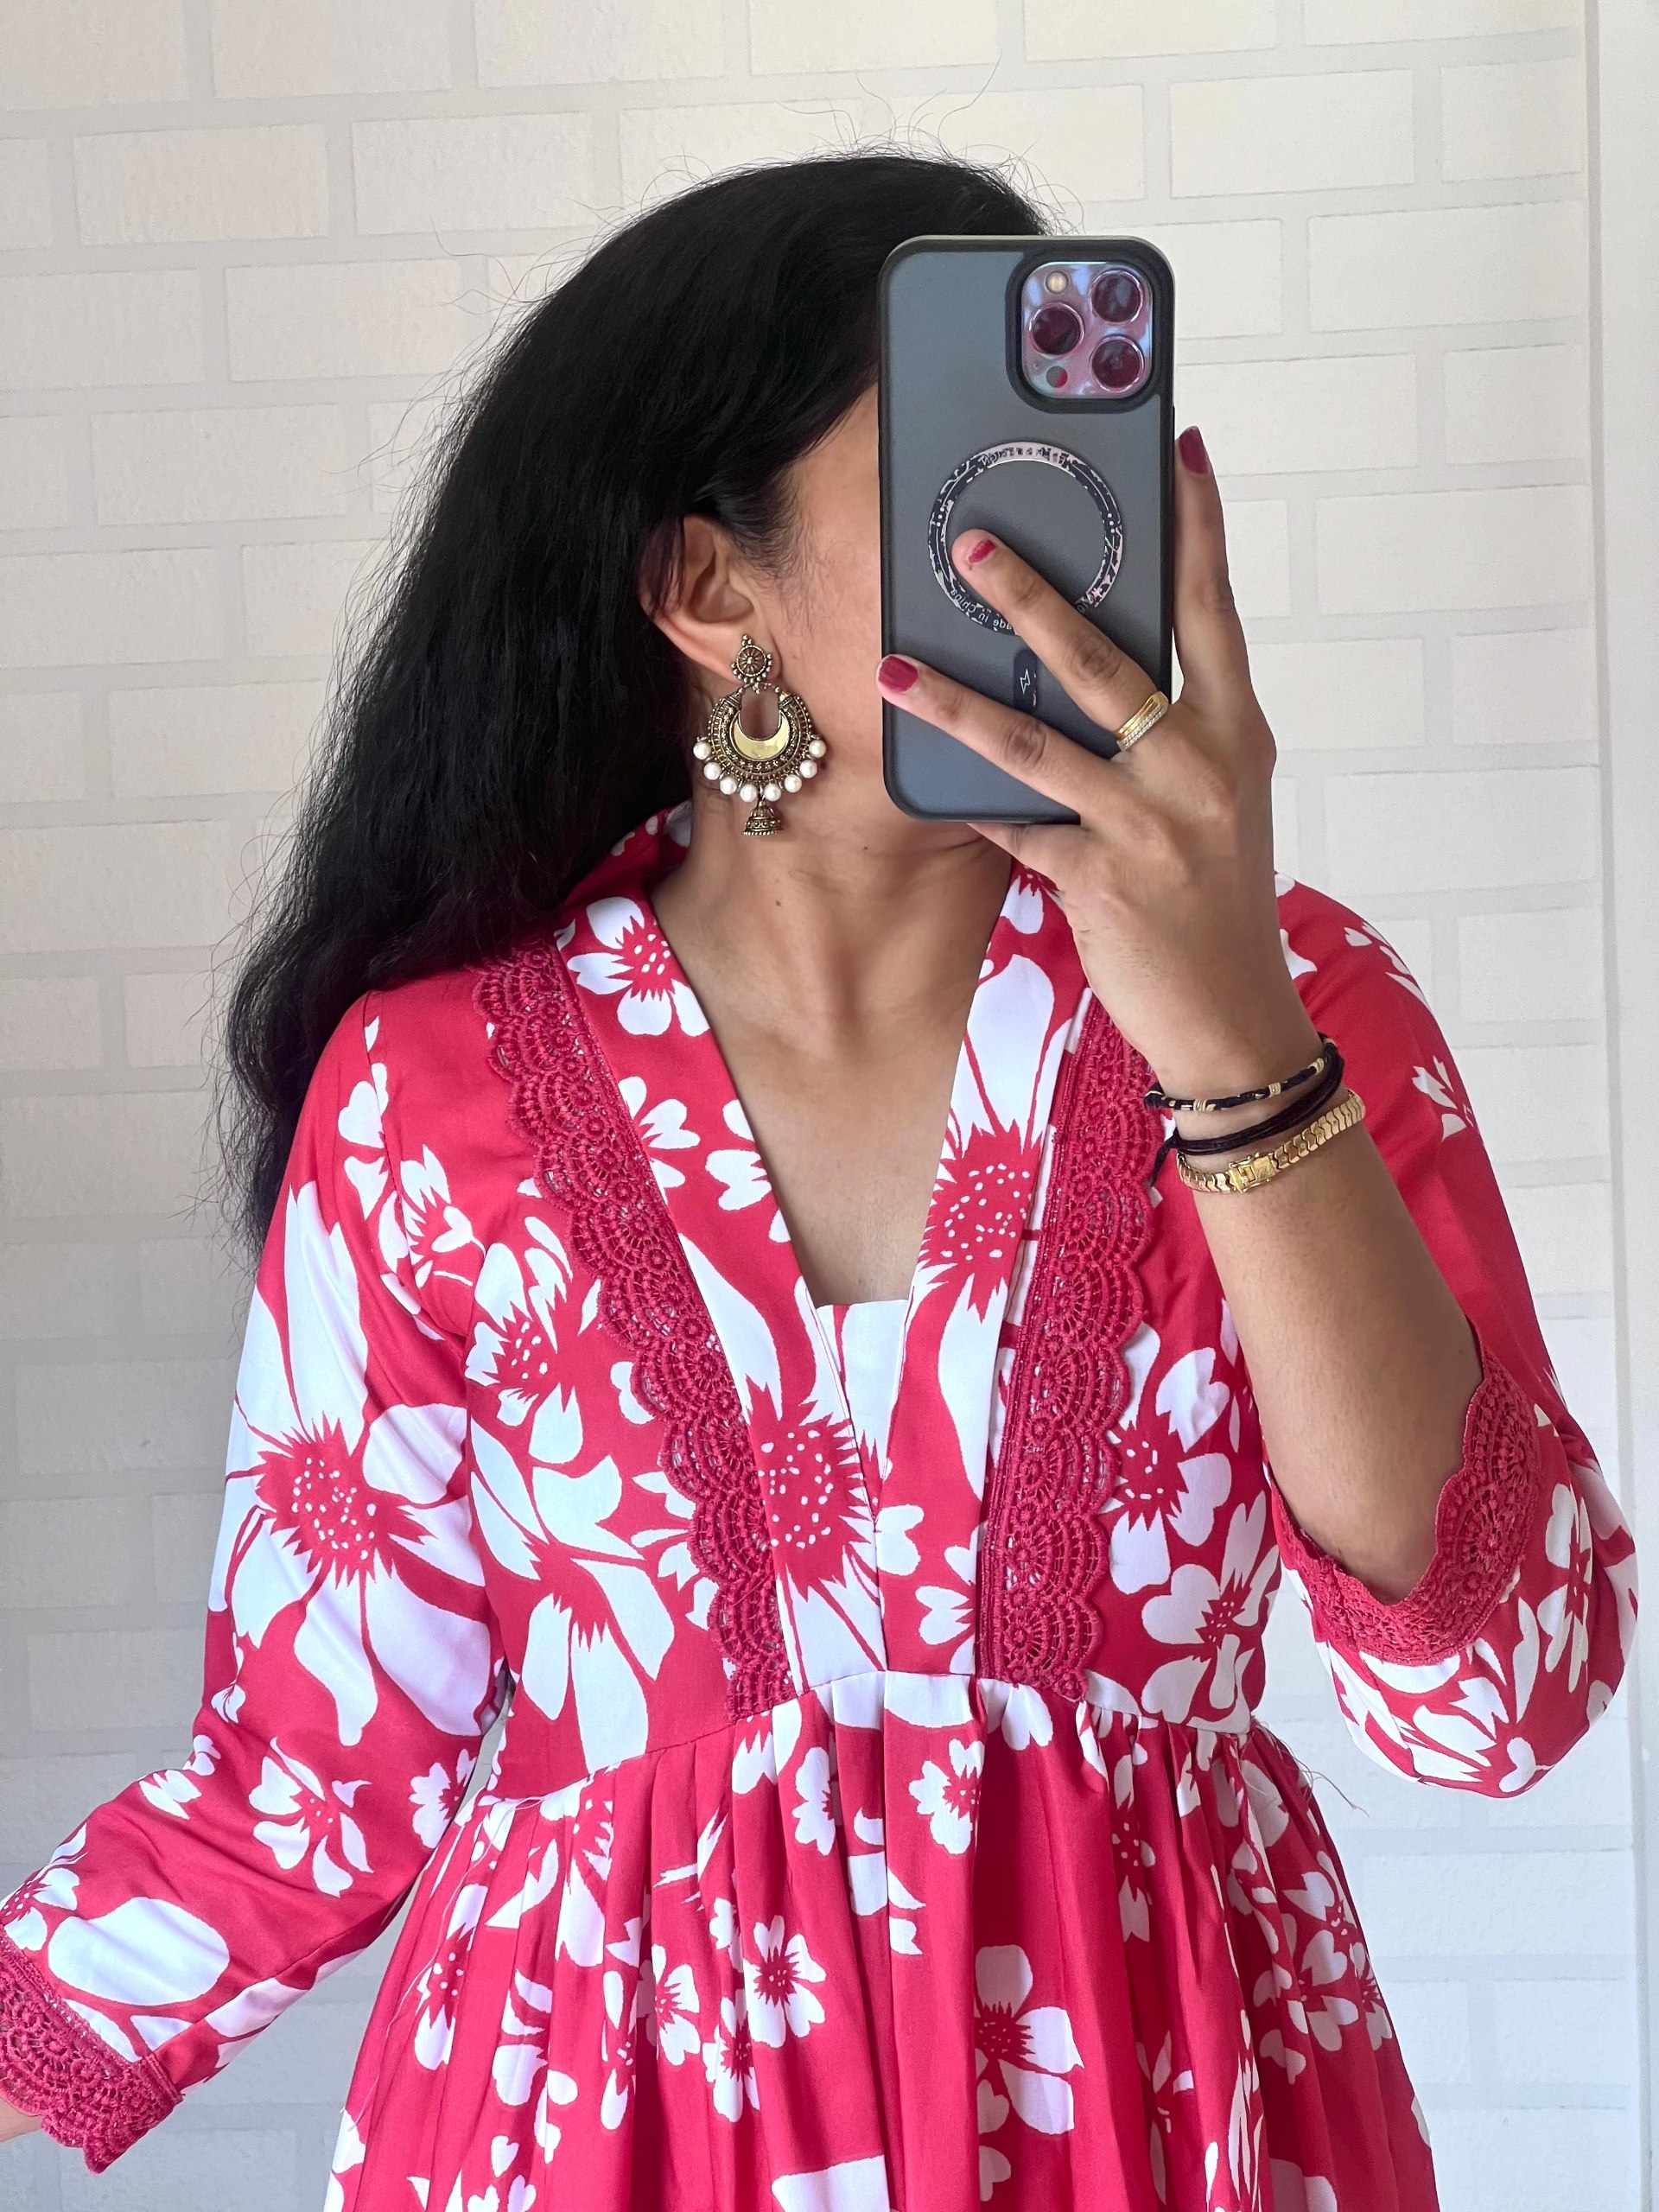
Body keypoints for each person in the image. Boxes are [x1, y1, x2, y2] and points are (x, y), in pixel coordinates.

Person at [0, 147, 1636, 2212]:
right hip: (596, 2146)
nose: (1057, 539)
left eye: (1084, 467)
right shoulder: (435, 1095)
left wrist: (1233, 1036)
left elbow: (1499, 1695)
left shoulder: (1302, 1003)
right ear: (711, 590)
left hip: (1161, 2129)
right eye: (968, 469)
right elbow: (301, 1795)